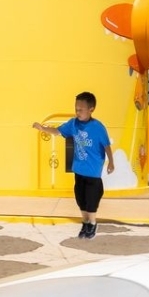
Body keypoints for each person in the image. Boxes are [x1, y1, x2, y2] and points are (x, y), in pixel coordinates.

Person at [34, 91, 115, 239]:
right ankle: (85, 222)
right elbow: (58, 131)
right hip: (78, 170)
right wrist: (43, 128)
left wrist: (111, 162)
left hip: (93, 172)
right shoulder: (73, 124)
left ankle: (92, 223)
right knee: (80, 199)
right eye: (76, 109)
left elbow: (107, 146)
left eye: (81, 109)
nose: (77, 112)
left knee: (91, 200)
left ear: (91, 109)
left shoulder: (98, 127)